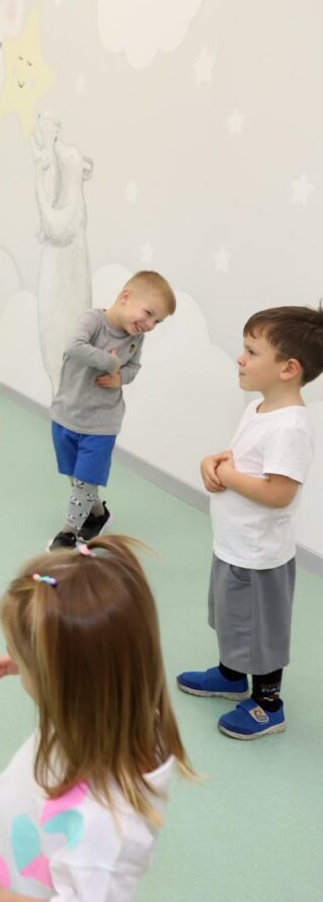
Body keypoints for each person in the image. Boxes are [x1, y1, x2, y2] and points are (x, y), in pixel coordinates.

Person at [0, 536, 193, 900]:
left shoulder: (106, 831)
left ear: (63, 681)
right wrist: (30, 664)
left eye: (21, 653)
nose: (13, 656)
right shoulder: (113, 706)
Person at [178, 305, 323, 740]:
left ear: (288, 368)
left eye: (251, 351)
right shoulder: (259, 409)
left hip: (258, 557)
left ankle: (268, 705)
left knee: (260, 632)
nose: (240, 358)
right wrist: (213, 462)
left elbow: (279, 493)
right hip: (234, 543)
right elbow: (241, 460)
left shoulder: (290, 427)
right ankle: (231, 675)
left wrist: (227, 476)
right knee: (232, 618)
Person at [48, 271, 176, 550]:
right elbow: (74, 347)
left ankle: (68, 533)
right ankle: (98, 513)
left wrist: (120, 378)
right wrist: (109, 362)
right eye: (149, 314)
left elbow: (133, 367)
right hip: (67, 414)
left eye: (158, 321)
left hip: (102, 423)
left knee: (85, 480)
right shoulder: (93, 321)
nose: (150, 325)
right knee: (76, 476)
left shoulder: (136, 338)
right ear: (126, 296)